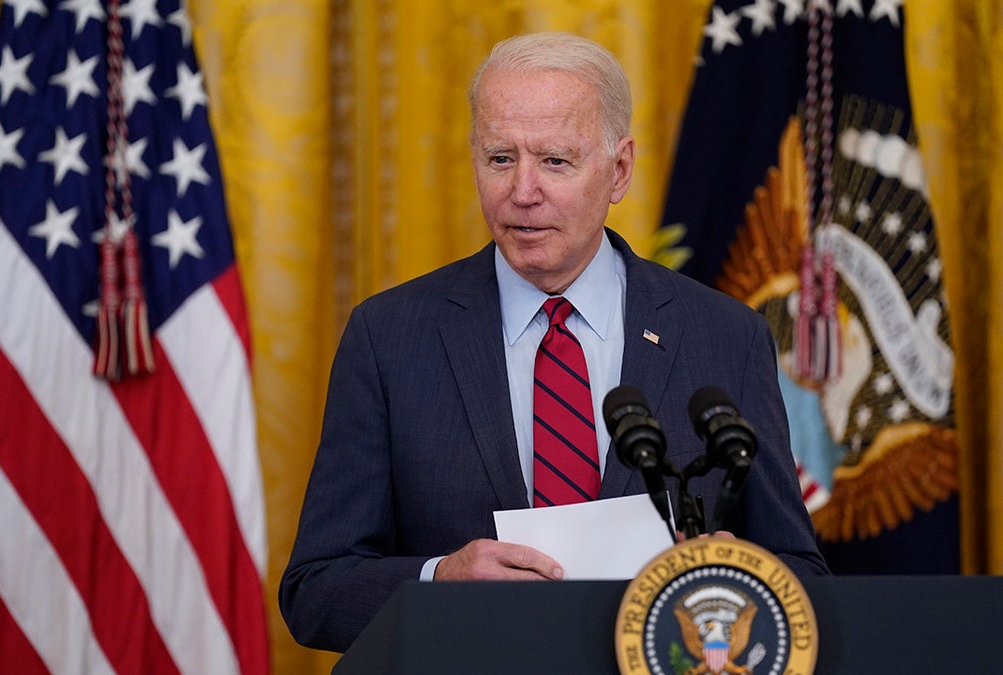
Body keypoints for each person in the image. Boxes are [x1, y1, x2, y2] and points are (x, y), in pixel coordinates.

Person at [279, 31, 829, 653]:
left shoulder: (723, 335)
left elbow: (802, 573)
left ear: (619, 170)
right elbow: (316, 590)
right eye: (500, 159)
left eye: (555, 161)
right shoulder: (389, 338)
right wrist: (439, 580)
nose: (523, 191)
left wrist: (741, 577)